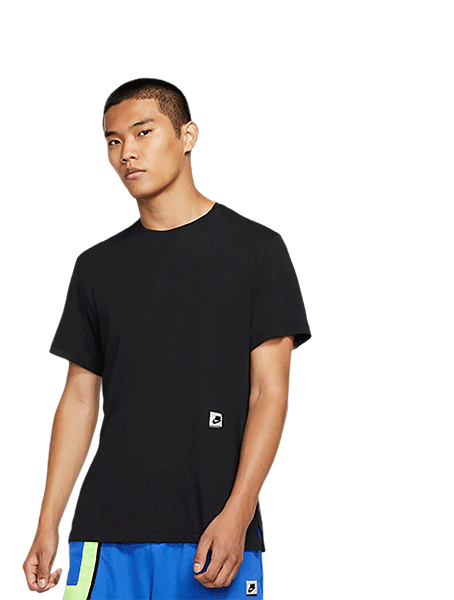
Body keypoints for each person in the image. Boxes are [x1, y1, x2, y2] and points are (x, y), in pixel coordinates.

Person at [23, 78, 311, 598]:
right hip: (105, 534)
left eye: (143, 132)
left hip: (214, 533)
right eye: (113, 140)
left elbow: (269, 393)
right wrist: (48, 523)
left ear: (188, 136)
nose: (126, 153)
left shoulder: (257, 251)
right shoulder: (96, 267)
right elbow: (80, 399)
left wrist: (238, 513)